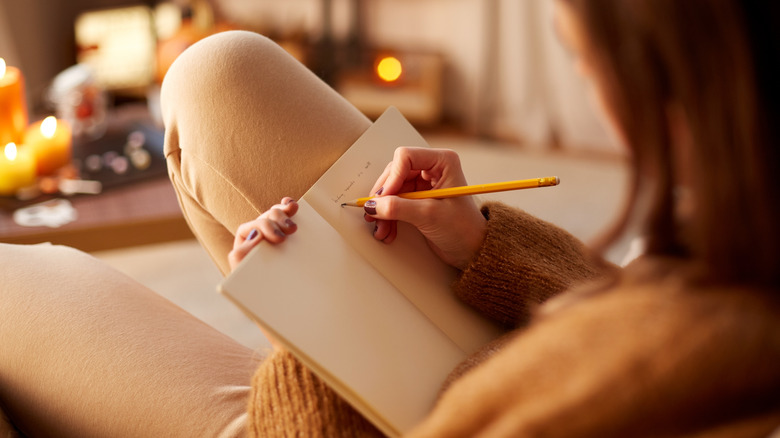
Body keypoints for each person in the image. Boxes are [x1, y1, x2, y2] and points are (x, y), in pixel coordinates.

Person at [1, 0, 778, 436]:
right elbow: (616, 315)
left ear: (684, 85)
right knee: (219, 73)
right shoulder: (739, 249)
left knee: (17, 280)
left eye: (581, 57)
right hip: (495, 350)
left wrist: (308, 329)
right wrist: (482, 243)